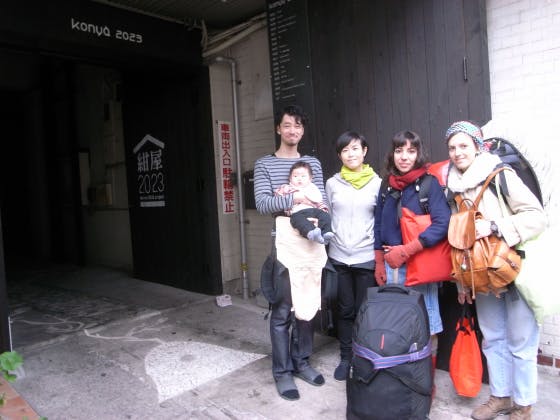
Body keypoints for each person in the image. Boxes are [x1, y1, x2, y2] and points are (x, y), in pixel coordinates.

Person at [445, 121, 547, 420]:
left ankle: (523, 405)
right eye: (452, 147)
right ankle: (500, 397)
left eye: (464, 145)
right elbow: (459, 241)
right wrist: (462, 284)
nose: (457, 152)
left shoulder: (500, 175)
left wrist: (494, 226)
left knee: (521, 343)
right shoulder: (452, 188)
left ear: (478, 147)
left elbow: (536, 217)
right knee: (493, 340)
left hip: (512, 271)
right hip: (481, 276)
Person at [253, 105, 326, 401]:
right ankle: (282, 371)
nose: (292, 130)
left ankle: (302, 362)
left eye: (297, 125)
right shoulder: (264, 164)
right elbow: (263, 204)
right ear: (278, 129)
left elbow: (321, 203)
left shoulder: (312, 163)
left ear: (302, 130)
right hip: (283, 241)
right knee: (283, 309)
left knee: (307, 305)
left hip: (310, 240)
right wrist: (298, 197)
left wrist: (297, 203)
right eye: (287, 125)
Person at [373, 130, 450, 380]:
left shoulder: (429, 184)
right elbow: (378, 223)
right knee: (398, 323)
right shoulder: (386, 184)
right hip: (391, 265)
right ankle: (403, 377)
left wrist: (407, 250)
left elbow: (443, 223)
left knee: (427, 324)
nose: (404, 157)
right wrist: (379, 261)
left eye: (411, 151)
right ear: (392, 154)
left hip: (419, 265)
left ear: (418, 154)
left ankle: (426, 379)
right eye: (399, 151)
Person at [325, 131, 381, 381]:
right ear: (340, 155)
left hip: (366, 256)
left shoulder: (377, 183)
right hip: (339, 256)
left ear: (364, 151)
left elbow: (380, 220)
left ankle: (362, 359)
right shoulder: (332, 183)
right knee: (345, 310)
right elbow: (327, 215)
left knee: (364, 311)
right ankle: (345, 357)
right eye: (345, 150)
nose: (351, 154)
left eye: (355, 148)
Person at [276, 161, 334, 244]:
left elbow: (319, 202)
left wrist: (323, 210)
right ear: (290, 178)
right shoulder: (288, 188)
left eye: (303, 176)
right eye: (295, 176)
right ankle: (311, 232)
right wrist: (282, 191)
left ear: (310, 178)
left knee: (325, 215)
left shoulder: (312, 189)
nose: (299, 179)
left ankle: (326, 232)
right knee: (297, 220)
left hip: (314, 211)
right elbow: (278, 198)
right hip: (297, 212)